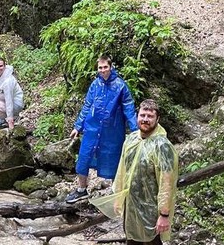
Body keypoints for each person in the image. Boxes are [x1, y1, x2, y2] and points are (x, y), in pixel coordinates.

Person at [91, 99, 179, 244]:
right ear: (137, 116)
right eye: (142, 115)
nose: (145, 119)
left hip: (152, 210)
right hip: (130, 207)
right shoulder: (131, 139)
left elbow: (167, 182)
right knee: (131, 240)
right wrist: (118, 198)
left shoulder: (162, 146)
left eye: (150, 116)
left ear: (158, 119)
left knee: (152, 241)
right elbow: (122, 170)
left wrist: (164, 214)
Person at [66, 55, 137, 203]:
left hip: (112, 130)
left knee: (114, 159)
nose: (103, 70)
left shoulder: (120, 86)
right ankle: (81, 189)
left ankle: (115, 192)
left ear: (111, 67)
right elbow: (87, 106)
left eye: (105, 67)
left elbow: (129, 108)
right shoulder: (95, 85)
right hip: (92, 128)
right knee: (84, 157)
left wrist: (136, 130)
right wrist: (77, 126)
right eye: (100, 67)